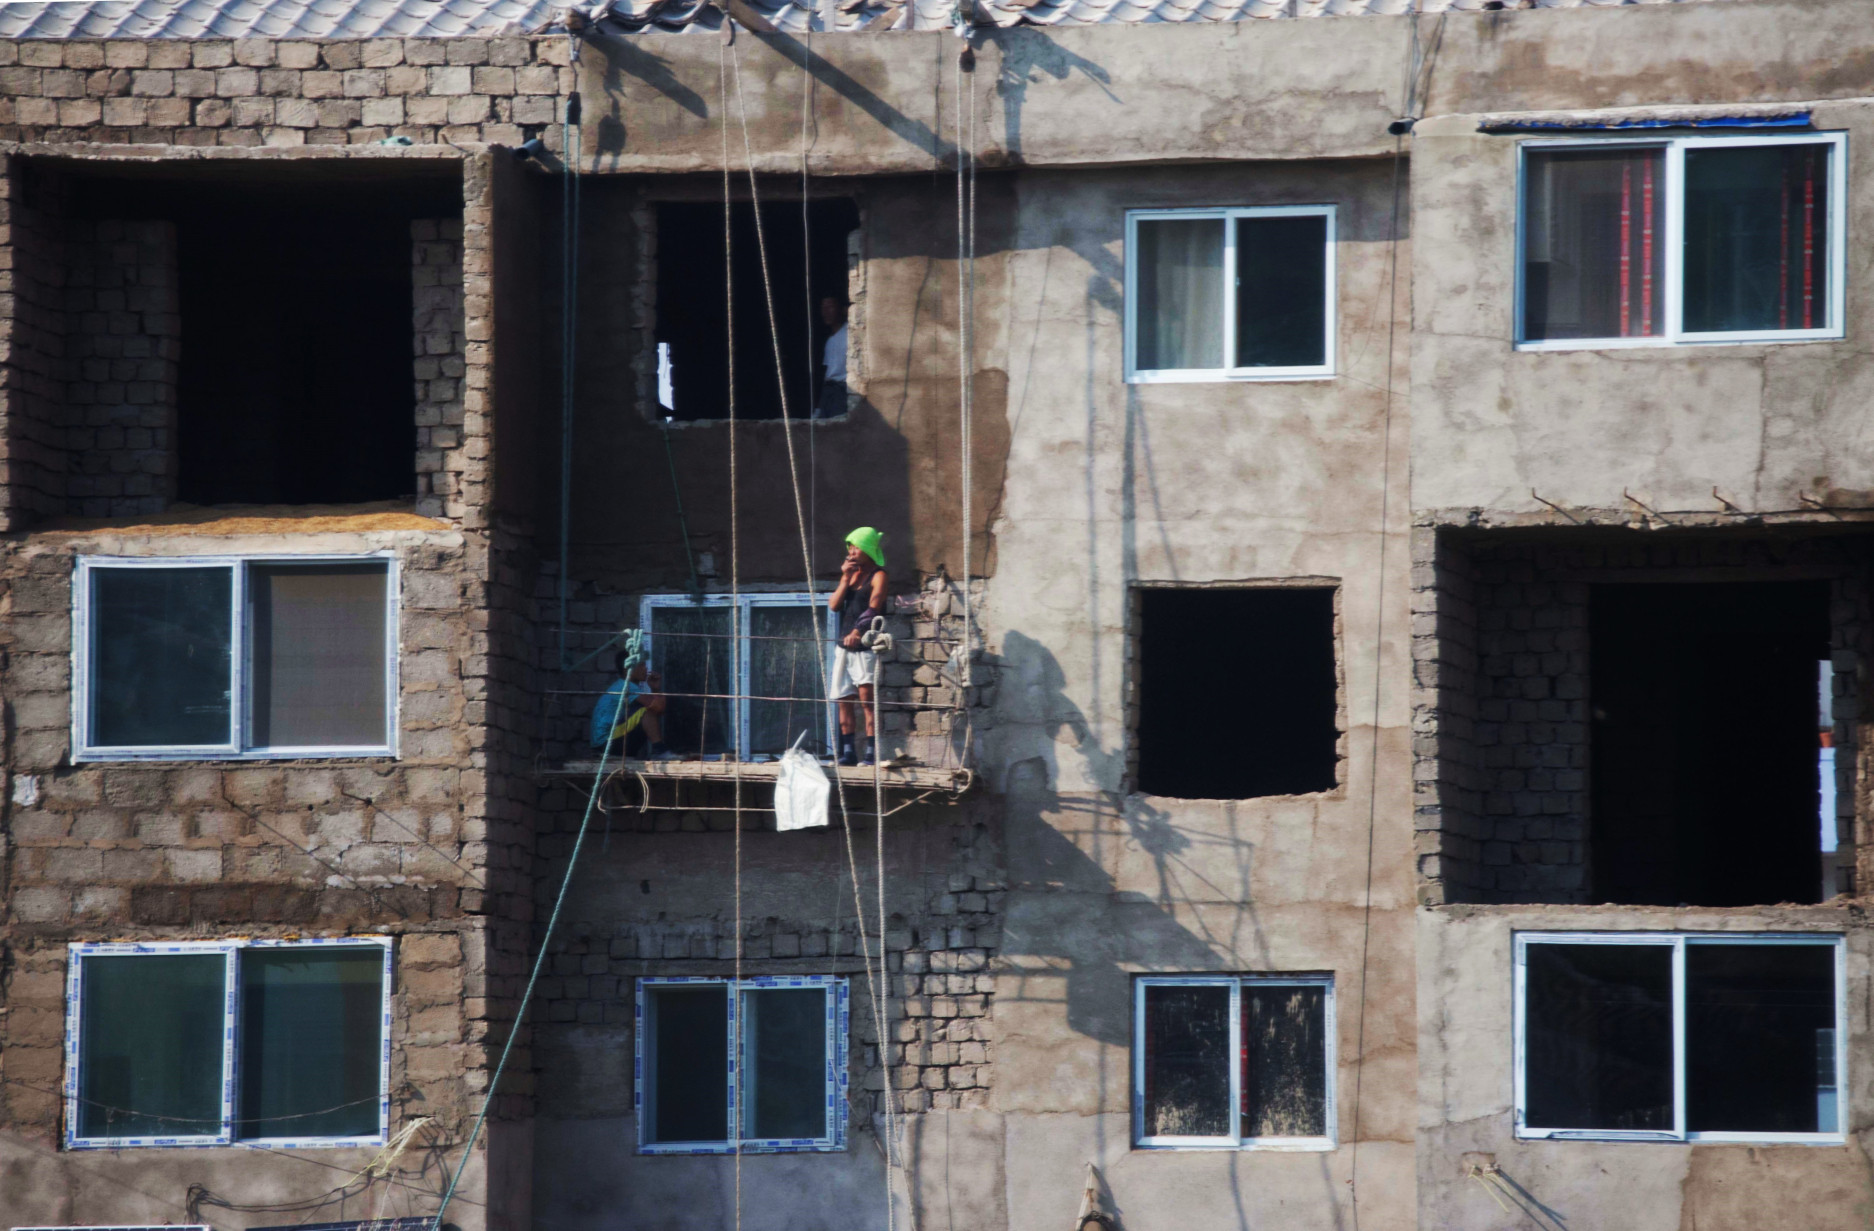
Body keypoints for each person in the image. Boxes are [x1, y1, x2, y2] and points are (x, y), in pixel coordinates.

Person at [829, 526, 888, 766]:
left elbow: (874, 608)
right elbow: (834, 605)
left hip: (864, 646)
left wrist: (857, 631)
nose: (851, 552)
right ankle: (848, 752)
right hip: (843, 646)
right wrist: (844, 578)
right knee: (843, 698)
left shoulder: (878, 575)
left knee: (866, 701)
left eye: (856, 548)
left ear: (868, 549)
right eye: (850, 547)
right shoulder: (852, 575)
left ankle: (871, 753)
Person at [590, 650, 671, 760]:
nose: (645, 669)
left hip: (604, 744)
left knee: (647, 710)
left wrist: (655, 689)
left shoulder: (625, 685)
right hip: (606, 742)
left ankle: (657, 751)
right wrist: (656, 689)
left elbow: (659, 711)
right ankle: (659, 750)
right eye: (641, 665)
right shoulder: (627, 686)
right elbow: (658, 707)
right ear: (627, 668)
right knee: (645, 711)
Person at [815, 296, 848, 420]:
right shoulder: (830, 340)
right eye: (823, 308)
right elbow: (827, 373)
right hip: (828, 392)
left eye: (830, 307)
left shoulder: (849, 333)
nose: (826, 312)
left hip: (842, 390)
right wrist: (819, 406)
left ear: (842, 309)